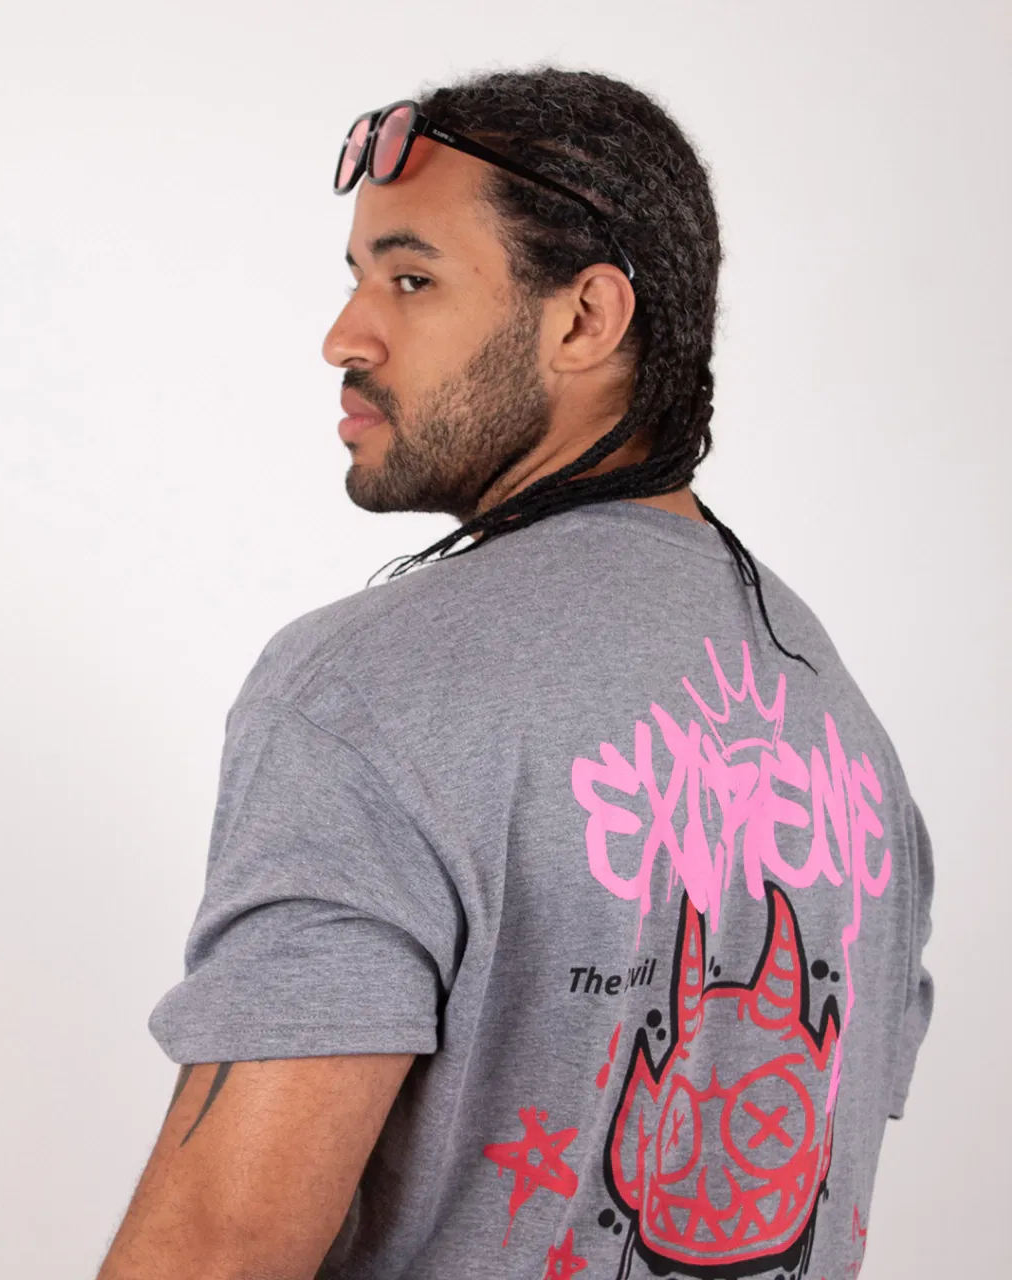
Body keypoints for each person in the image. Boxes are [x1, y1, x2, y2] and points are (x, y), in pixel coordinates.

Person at [96, 67, 934, 1280]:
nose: (345, 335)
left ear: (585, 318)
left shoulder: (362, 694)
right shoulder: (842, 728)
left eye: (411, 280)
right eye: (356, 278)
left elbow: (220, 1250)